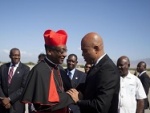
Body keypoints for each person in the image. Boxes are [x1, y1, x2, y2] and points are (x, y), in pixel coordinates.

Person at [21, 29, 74, 113]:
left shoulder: (60, 68)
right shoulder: (39, 71)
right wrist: (71, 97)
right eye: (61, 51)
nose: (65, 54)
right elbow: (43, 105)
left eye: (65, 50)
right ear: (49, 51)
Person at [67, 32, 120, 113]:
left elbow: (100, 106)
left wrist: (78, 101)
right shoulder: (97, 66)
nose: (82, 54)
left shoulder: (108, 69)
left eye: (85, 51)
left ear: (96, 49)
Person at [0, 48, 30, 113]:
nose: (17, 57)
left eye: (18, 55)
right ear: (10, 56)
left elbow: (23, 88)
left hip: (17, 105)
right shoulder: (3, 67)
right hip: (3, 104)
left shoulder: (25, 69)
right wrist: (3, 99)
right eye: (14, 55)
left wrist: (9, 99)